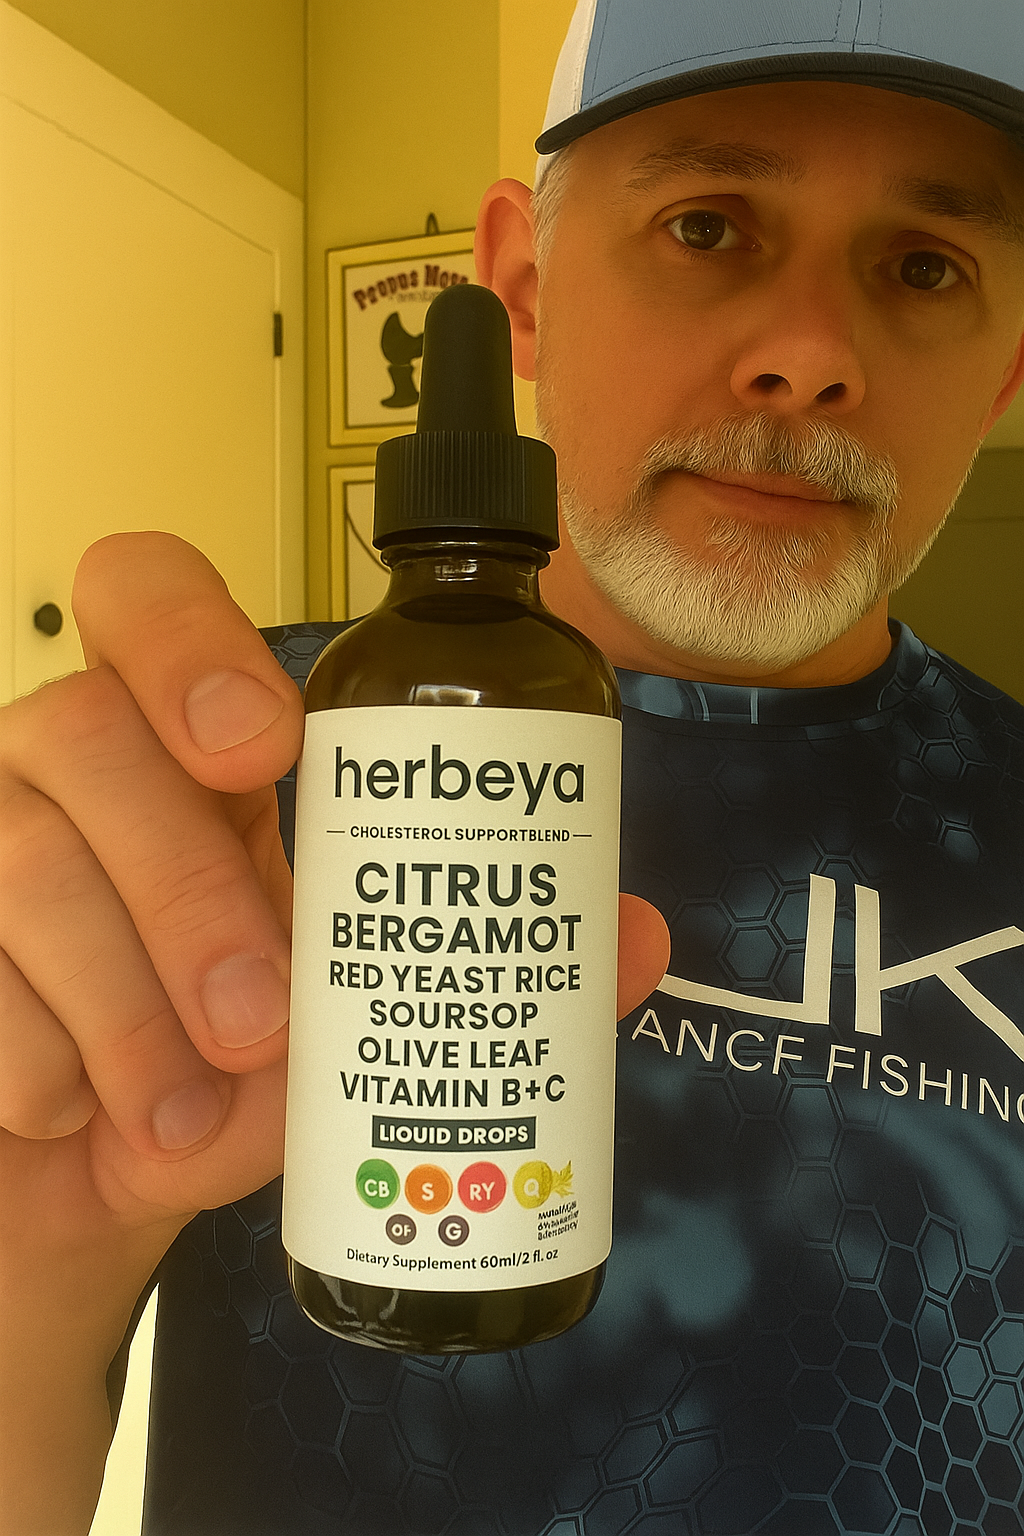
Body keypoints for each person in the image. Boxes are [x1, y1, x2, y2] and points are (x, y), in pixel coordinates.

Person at [4, 1, 1024, 1531]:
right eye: (707, 225)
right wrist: (32, 1249)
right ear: (525, 291)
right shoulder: (238, 781)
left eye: (927, 265)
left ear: (1006, 373)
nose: (810, 358)